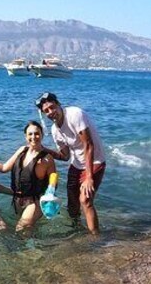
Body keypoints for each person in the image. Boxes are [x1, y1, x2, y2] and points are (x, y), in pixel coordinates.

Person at [35, 92, 106, 234]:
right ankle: (77, 230)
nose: (50, 112)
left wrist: (89, 177)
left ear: (58, 104)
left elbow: (89, 145)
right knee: (72, 205)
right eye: (46, 111)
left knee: (85, 200)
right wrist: (43, 150)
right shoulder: (55, 130)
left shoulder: (74, 114)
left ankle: (95, 238)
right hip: (76, 165)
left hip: (94, 162)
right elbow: (65, 156)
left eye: (52, 107)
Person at [0, 121, 57, 231]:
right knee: (28, 231)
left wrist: (50, 191)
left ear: (42, 135)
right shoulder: (22, 150)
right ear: (25, 136)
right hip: (18, 199)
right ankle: (35, 247)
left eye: (37, 133)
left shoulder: (46, 158)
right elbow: (4, 168)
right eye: (30, 134)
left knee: (20, 229)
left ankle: (29, 248)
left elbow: (53, 176)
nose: (33, 137)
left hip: (35, 201)